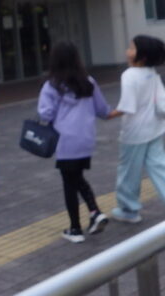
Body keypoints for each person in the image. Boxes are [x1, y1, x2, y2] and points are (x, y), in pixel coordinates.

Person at [107, 35, 165, 223]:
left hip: (134, 133)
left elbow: (127, 106)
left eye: (132, 48)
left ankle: (129, 209)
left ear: (142, 56)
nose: (127, 51)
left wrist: (108, 114)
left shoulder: (129, 75)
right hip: (154, 128)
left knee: (128, 172)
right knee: (162, 168)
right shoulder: (151, 72)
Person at [38, 41, 111, 243]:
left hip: (65, 140)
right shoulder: (88, 82)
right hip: (86, 139)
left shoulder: (52, 85)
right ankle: (94, 213)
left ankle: (76, 228)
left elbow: (45, 113)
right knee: (76, 177)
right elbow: (102, 109)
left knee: (70, 183)